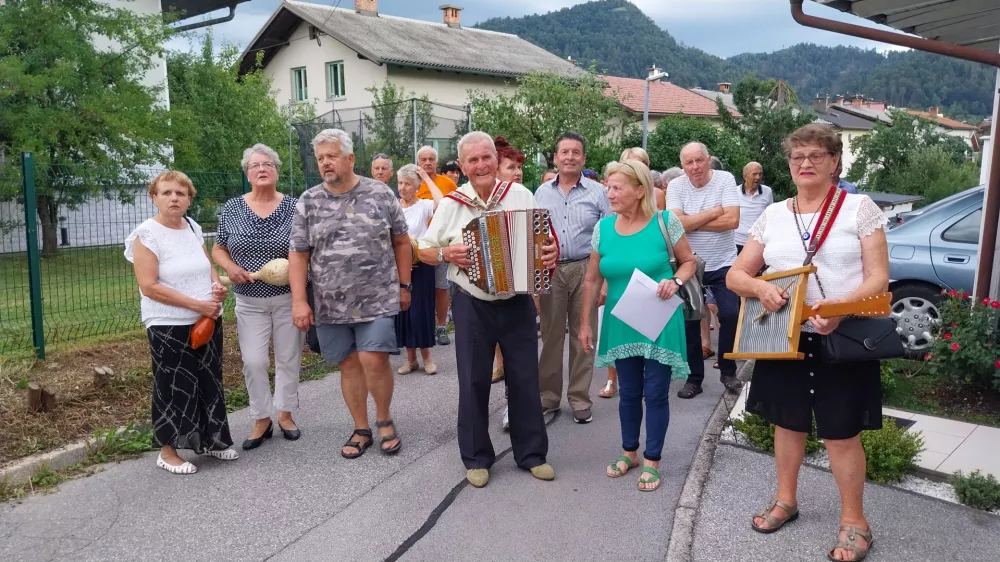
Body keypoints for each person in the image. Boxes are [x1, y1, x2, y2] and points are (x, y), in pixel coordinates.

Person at [726, 123, 888, 562]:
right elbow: (735, 275)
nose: (805, 163)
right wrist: (760, 289)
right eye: (798, 156)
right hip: (783, 337)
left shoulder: (859, 208)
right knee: (787, 424)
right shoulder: (773, 214)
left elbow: (878, 277)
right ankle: (786, 500)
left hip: (843, 338)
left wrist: (839, 308)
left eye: (816, 155)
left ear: (835, 162)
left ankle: (855, 522)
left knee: (841, 434)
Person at [418, 131, 557, 488]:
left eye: (486, 158)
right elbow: (424, 248)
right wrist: (446, 254)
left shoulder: (520, 195)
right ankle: (477, 457)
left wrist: (549, 254)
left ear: (495, 160)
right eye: (473, 160)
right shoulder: (452, 203)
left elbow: (545, 242)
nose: (480, 165)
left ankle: (532, 454)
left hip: (517, 300)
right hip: (471, 302)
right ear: (462, 166)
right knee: (473, 379)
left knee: (525, 376)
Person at [289, 129, 412, 459]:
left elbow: (402, 242)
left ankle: (384, 417)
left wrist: (403, 285)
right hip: (330, 302)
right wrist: (300, 300)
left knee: (374, 359)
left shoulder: (380, 194)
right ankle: (361, 427)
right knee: (348, 364)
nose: (326, 163)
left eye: (331, 155)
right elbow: (298, 253)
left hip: (378, 296)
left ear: (350, 158)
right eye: (320, 158)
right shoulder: (309, 201)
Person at [579, 159, 697, 492]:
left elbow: (689, 261)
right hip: (621, 319)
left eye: (617, 187)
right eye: (608, 186)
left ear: (639, 191)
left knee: (656, 393)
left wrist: (675, 280)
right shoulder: (603, 228)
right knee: (628, 392)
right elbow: (591, 280)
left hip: (659, 318)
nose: (609, 193)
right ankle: (629, 452)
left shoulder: (665, 221)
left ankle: (652, 460)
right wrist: (585, 322)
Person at [125, 171, 236, 474]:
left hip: (206, 318)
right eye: (167, 193)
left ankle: (211, 440)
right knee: (173, 384)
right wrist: (196, 304)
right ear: (154, 198)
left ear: (189, 199)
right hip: (168, 322)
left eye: (180, 193)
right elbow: (149, 286)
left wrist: (216, 288)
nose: (174, 198)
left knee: (208, 379)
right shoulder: (146, 235)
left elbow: (207, 268)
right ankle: (168, 450)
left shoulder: (192, 227)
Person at [213, 144, 304, 451]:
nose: (262, 169)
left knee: (288, 359)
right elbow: (218, 247)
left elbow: (305, 250)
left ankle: (286, 414)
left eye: (268, 164)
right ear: (247, 174)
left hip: (287, 297)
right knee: (253, 362)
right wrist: (229, 267)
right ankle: (261, 417)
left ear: (277, 171)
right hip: (249, 300)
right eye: (255, 166)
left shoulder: (294, 207)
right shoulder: (232, 208)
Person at [534, 132, 612, 424]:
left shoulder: (598, 193)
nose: (569, 157)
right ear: (555, 158)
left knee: (584, 335)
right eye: (564, 152)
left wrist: (604, 280)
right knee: (551, 336)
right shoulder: (541, 193)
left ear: (584, 159)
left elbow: (610, 236)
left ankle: (579, 398)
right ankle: (548, 398)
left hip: (587, 270)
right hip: (550, 270)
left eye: (575, 152)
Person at [666, 142, 743, 398]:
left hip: (723, 261)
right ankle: (694, 378)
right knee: (690, 321)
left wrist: (691, 222)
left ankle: (728, 370)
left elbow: (732, 220)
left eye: (699, 160)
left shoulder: (725, 179)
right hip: (689, 263)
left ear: (708, 159)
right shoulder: (676, 185)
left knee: (731, 313)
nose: (695, 167)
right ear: (682, 165)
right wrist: (713, 212)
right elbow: (675, 225)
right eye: (689, 162)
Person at [492, 136, 527, 430]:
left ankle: (512, 408)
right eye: (510, 167)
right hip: (482, 293)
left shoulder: (525, 196)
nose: (517, 173)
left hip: (518, 290)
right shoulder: (481, 200)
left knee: (517, 356)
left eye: (519, 167)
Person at [394, 164, 443, 375]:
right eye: (400, 183)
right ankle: (411, 359)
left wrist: (425, 177)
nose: (402, 187)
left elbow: (442, 202)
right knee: (403, 313)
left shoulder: (423, 205)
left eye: (407, 183)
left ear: (416, 187)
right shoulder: (394, 207)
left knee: (421, 311)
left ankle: (428, 358)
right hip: (398, 266)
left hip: (421, 264)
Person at [416, 146, 459, 346]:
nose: (427, 163)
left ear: (436, 160)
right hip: (418, 247)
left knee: (442, 287)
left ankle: (442, 327)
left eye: (431, 159)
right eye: (423, 159)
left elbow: (457, 209)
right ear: (418, 161)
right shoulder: (414, 182)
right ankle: (422, 328)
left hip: (440, 243)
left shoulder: (447, 183)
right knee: (421, 290)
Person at [735, 161, 773, 254]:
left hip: (758, 243)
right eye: (754, 174)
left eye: (760, 174)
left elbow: (770, 216)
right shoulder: (735, 192)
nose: (758, 177)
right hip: (737, 243)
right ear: (745, 177)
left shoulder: (767, 192)